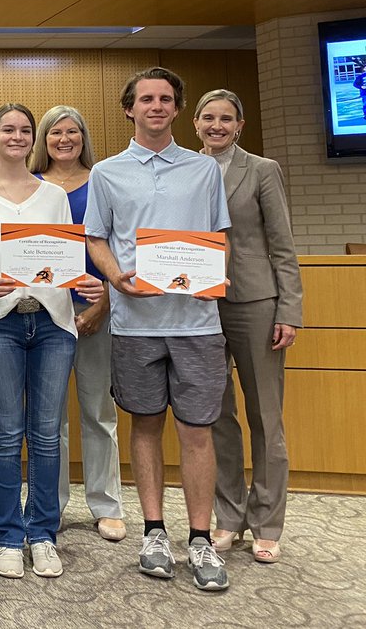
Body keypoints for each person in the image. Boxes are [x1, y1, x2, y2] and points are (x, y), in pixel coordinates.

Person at [84, 66, 233, 593]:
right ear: (130, 108)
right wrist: (114, 276)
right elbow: (97, 238)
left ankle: (199, 539)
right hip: (135, 325)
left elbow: (219, 236)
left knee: (197, 431)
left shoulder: (203, 170)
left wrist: (215, 275)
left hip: (197, 322)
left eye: (166, 99)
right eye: (146, 99)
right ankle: (153, 532)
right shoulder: (107, 172)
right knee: (144, 426)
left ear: (176, 108)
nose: (156, 106)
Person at [0, 104, 103, 580]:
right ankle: (9, 536)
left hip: (55, 324)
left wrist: (90, 286)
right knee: (5, 433)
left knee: (45, 433)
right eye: (8, 130)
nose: (17, 137)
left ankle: (42, 534)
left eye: (24, 131)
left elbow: (62, 258)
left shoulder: (53, 195)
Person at [194, 89, 302, 564]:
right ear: (194, 123)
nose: (217, 126)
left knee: (265, 416)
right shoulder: (184, 168)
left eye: (226, 119)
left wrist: (289, 310)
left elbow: (282, 245)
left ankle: (267, 521)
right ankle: (229, 515)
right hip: (199, 305)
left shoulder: (262, 170)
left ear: (240, 125)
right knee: (215, 416)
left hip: (256, 303)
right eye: (208, 118)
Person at [29, 105, 126, 543]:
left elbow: (120, 243)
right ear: (42, 140)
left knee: (98, 412)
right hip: (44, 314)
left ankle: (106, 505)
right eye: (55, 133)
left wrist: (104, 302)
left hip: (95, 311)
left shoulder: (104, 180)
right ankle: (53, 503)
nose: (64, 140)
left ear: (84, 136)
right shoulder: (30, 187)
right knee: (49, 419)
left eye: (73, 132)